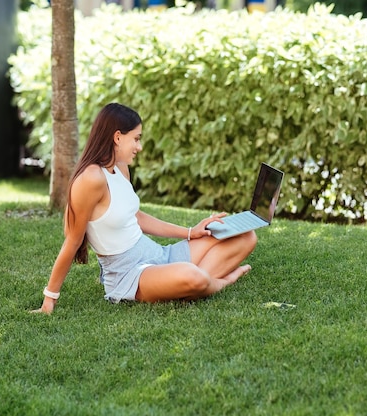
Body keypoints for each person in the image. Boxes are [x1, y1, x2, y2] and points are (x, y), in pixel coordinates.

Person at [35, 103, 257, 313]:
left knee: (246, 236)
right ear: (118, 137)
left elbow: (137, 217)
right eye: (136, 139)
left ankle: (192, 287)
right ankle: (220, 282)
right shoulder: (91, 179)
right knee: (192, 276)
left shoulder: (120, 169)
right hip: (129, 274)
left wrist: (191, 232)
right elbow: (72, 240)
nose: (139, 147)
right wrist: (49, 298)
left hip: (157, 254)